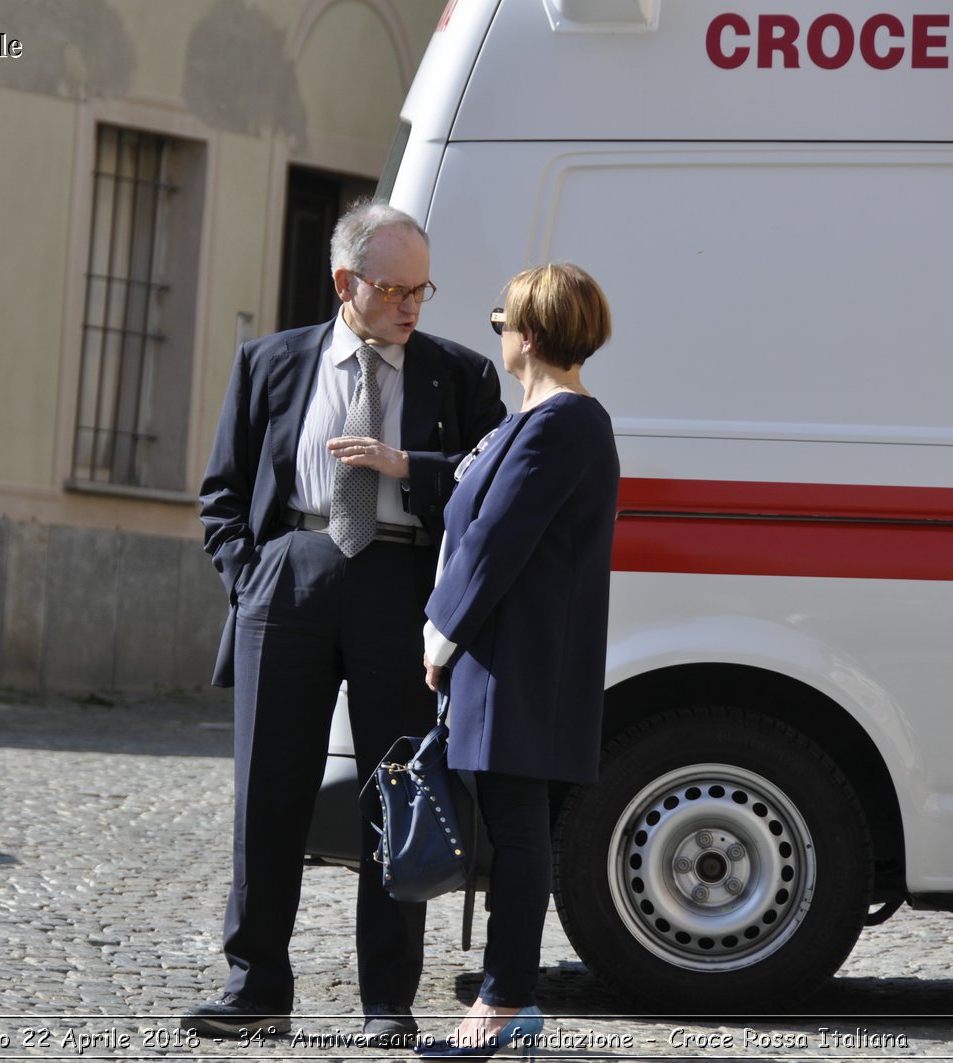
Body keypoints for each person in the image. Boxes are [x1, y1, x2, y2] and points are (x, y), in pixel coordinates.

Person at [189, 199, 506, 1044]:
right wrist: (249, 577)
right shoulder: (271, 364)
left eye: (421, 289)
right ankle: (256, 986)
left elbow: (488, 489)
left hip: (400, 583)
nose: (410, 305)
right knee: (269, 789)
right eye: (394, 288)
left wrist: (414, 468)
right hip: (289, 574)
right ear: (345, 282)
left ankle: (388, 1001)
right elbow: (222, 492)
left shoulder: (460, 375)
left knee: (396, 788)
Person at [414, 264, 620, 1060]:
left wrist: (439, 635)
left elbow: (498, 540)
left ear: (528, 334)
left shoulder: (564, 422)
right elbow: (475, 498)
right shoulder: (530, 420)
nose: (495, 329)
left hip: (518, 659)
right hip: (506, 654)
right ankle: (508, 997)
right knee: (512, 829)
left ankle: (505, 1002)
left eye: (502, 318)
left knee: (519, 832)